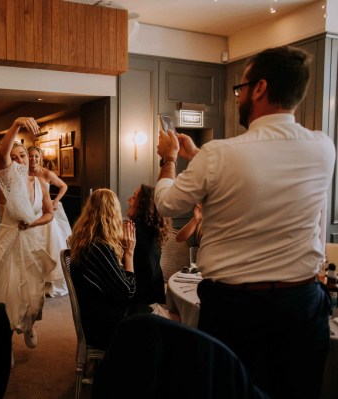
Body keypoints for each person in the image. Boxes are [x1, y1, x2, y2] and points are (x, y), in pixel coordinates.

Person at [154, 45, 335, 399]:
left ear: (260, 88)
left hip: (236, 311)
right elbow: (256, 178)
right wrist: (200, 156)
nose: (237, 97)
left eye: (240, 88)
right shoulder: (323, 148)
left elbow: (165, 203)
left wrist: (171, 159)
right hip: (302, 305)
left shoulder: (220, 154)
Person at [0, 117, 56, 353]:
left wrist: (33, 223)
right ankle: (5, 344)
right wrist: (15, 125)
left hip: (30, 241)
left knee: (32, 290)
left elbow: (49, 213)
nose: (19, 160)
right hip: (7, 242)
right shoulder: (6, 179)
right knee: (6, 292)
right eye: (14, 157)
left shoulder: (39, 183)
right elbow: (3, 153)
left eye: (22, 156)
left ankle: (30, 325)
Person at [67, 189, 137, 350]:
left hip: (93, 316)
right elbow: (128, 291)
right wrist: (129, 254)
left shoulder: (86, 241)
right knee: (150, 319)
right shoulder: (100, 248)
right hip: (102, 327)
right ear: (113, 215)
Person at [28, 145, 72, 297]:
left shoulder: (46, 173)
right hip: (31, 213)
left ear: (40, 158)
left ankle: (51, 282)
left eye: (36, 156)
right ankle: (35, 282)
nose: (33, 159)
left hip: (45, 213)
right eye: (30, 156)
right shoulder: (24, 173)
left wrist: (55, 202)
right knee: (33, 248)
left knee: (49, 246)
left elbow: (63, 186)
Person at [126, 184, 170, 308]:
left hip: (139, 298)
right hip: (156, 291)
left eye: (134, 197)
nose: (129, 200)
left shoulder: (133, 229)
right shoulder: (156, 228)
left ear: (143, 205)